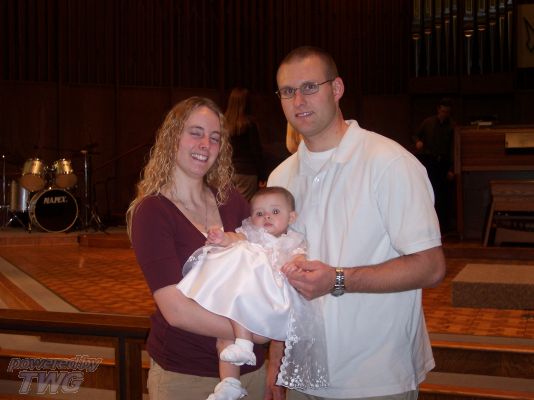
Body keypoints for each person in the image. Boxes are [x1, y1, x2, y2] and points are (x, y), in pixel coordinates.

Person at [266, 46, 447, 400]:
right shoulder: (281, 178)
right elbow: (279, 277)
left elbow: (431, 266)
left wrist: (337, 279)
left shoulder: (389, 163)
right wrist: (277, 353)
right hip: (303, 372)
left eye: (309, 87)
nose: (298, 100)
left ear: (336, 89)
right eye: (287, 91)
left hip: (375, 376)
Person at [126, 97, 266, 400]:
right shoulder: (152, 211)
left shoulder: (231, 200)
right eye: (196, 133)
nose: (206, 144)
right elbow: (176, 310)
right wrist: (254, 333)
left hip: (250, 372)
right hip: (186, 375)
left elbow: (265, 264)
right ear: (173, 137)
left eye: (215, 137)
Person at [178, 186, 328, 399]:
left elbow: (299, 258)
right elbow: (235, 237)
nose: (267, 216)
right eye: (259, 213)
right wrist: (222, 238)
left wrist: (295, 265)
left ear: (291, 217)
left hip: (268, 298)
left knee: (234, 327)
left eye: (275, 211)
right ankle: (229, 384)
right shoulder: (251, 234)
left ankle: (244, 344)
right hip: (244, 296)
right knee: (224, 340)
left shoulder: (292, 240)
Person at [414, 97, 456, 232]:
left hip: (444, 164)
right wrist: (418, 142)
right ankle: (429, 226)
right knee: (429, 193)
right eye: (443, 111)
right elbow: (416, 135)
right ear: (438, 110)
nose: (445, 114)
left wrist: (451, 169)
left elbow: (453, 149)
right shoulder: (428, 122)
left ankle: (444, 227)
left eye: (447, 112)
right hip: (429, 162)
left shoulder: (452, 126)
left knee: (444, 196)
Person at [225, 87, 266, 200]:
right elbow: (256, 151)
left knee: (230, 205)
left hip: (229, 171)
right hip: (247, 172)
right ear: (247, 103)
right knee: (244, 207)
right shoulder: (249, 124)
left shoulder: (224, 124)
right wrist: (263, 175)